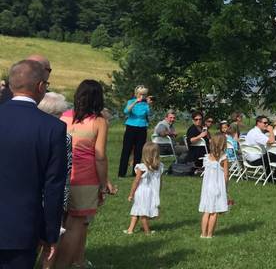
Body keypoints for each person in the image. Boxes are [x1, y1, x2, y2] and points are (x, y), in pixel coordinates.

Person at [0, 60, 67, 269]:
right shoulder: (52, 128)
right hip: (22, 227)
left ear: (11, 85)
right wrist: (51, 234)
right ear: (40, 86)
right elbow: (54, 186)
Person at [58, 79, 116, 269]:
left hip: (61, 176)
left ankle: (74, 260)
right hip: (85, 179)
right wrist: (103, 182)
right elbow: (99, 157)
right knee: (76, 223)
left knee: (61, 222)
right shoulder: (99, 122)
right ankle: (63, 264)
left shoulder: (64, 117)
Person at [126, 142, 163, 234]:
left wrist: (131, 194)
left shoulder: (141, 167)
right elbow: (160, 181)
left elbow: (136, 182)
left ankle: (147, 232)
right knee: (138, 210)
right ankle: (130, 229)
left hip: (142, 191)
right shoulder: (160, 166)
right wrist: (158, 191)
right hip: (151, 192)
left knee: (142, 212)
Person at [199, 134, 230, 239]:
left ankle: (203, 234)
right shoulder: (224, 158)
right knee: (214, 212)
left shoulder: (207, 157)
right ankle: (209, 234)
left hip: (207, 188)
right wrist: (226, 189)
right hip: (217, 187)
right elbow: (226, 176)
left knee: (207, 211)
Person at [119, 85, 152, 177]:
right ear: (137, 94)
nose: (143, 96)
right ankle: (122, 173)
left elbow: (149, 114)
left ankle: (135, 173)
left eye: (145, 94)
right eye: (141, 94)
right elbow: (126, 111)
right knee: (126, 150)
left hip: (142, 127)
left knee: (139, 151)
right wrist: (135, 102)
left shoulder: (146, 104)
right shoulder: (131, 101)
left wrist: (149, 105)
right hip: (131, 127)